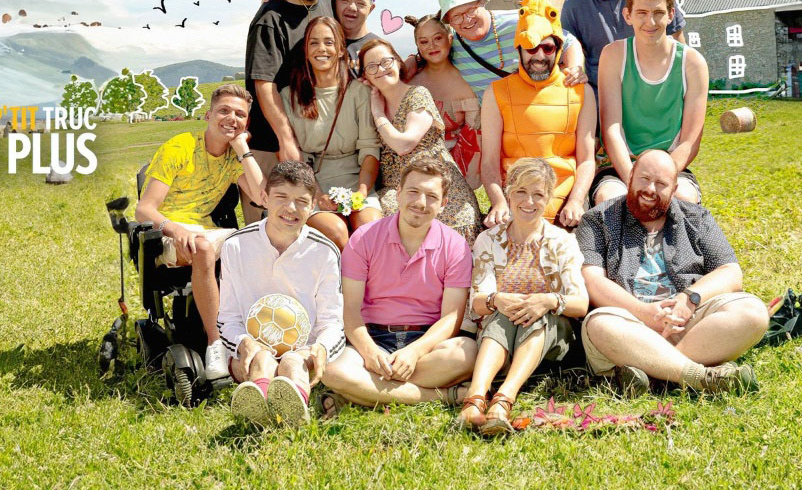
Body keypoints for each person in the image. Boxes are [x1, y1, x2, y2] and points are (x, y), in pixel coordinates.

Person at [577, 150, 769, 396]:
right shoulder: (598, 220)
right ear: (630, 176)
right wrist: (644, 313)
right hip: (631, 325)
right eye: (644, 179)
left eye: (661, 184)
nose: (650, 189)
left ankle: (655, 371)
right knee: (600, 323)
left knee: (753, 311)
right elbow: (592, 281)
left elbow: (730, 271)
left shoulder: (696, 218)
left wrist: (689, 299)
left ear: (674, 187)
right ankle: (699, 376)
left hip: (687, 324)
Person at [135, 84, 270, 385]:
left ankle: (256, 334)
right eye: (224, 110)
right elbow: (144, 210)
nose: (231, 118)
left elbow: (264, 198)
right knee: (204, 248)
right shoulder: (180, 147)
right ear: (209, 114)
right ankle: (215, 345)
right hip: (169, 232)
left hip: (206, 230)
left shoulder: (231, 161)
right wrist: (175, 228)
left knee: (259, 243)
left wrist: (242, 150)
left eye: (239, 114)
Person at [321, 158, 477, 412]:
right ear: (399, 193)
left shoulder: (455, 246)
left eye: (431, 196)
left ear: (443, 204)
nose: (420, 203)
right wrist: (370, 353)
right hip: (373, 337)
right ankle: (443, 396)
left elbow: (452, 318)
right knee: (332, 370)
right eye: (413, 191)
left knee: (466, 353)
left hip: (426, 343)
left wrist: (415, 352)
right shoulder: (364, 238)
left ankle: (360, 392)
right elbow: (350, 310)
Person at [458, 158, 589, 434]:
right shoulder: (488, 240)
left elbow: (580, 304)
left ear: (549, 198)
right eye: (521, 192)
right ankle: (475, 399)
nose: (528, 201)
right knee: (500, 312)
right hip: (501, 337)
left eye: (538, 194)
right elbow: (478, 303)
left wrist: (550, 300)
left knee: (536, 313)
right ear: (508, 192)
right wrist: (498, 300)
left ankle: (503, 400)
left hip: (551, 342)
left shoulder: (561, 241)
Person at [217, 161, 345, 428]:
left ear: (312, 207)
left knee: (291, 362)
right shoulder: (236, 246)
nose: (291, 208)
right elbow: (227, 318)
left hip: (302, 349)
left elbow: (332, 322)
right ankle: (258, 405)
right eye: (281, 197)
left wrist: (319, 348)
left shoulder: (324, 251)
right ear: (264, 198)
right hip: (253, 349)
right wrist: (243, 343)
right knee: (262, 359)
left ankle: (293, 407)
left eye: (301, 201)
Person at [244, 0, 340, 223]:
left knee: (311, 229)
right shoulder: (270, 16)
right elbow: (264, 83)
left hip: (315, 139)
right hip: (271, 141)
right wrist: (285, 138)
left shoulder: (331, 6)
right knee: (267, 225)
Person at [480, 0, 597, 229]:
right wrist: (499, 203)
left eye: (547, 47)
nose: (540, 56)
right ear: (519, 49)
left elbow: (586, 160)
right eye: (531, 48)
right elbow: (489, 162)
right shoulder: (496, 92)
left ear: (558, 49)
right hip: (515, 206)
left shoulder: (581, 91)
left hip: (565, 207)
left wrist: (575, 201)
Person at [594, 0, 708, 205]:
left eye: (658, 13)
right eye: (642, 13)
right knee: (610, 199)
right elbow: (611, 129)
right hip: (622, 164)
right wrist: (634, 180)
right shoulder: (614, 55)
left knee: (683, 197)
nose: (651, 22)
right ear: (628, 15)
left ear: (671, 15)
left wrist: (660, 181)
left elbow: (690, 141)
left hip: (669, 164)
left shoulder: (692, 62)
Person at [360, 38, 482, 243]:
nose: (380, 69)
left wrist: (378, 112)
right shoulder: (366, 100)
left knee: (448, 225)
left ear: (397, 62)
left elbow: (404, 144)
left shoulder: (417, 94)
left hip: (435, 181)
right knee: (390, 217)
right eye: (371, 67)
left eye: (385, 62)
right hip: (397, 188)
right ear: (365, 76)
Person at [280, 16, 383, 251]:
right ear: (305, 50)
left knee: (370, 230)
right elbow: (290, 155)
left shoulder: (358, 91)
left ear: (339, 49)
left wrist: (362, 191)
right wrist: (316, 195)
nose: (321, 49)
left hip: (357, 179)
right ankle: (343, 286)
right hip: (311, 182)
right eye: (313, 43)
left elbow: (370, 147)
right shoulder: (290, 96)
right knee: (337, 233)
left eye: (328, 42)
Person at [425, 0, 587, 100]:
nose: (467, 20)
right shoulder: (453, 45)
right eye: (457, 16)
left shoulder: (519, 22)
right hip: (495, 128)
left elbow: (568, 41)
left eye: (471, 10)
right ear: (450, 22)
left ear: (482, 3)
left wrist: (575, 68)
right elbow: (427, 54)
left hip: (540, 113)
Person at [405, 12, 481, 189]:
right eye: (424, 42)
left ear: (450, 37)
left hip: (455, 173)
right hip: (413, 168)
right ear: (417, 45)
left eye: (437, 38)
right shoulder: (410, 82)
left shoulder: (468, 82)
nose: (431, 46)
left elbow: (472, 141)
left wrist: (451, 182)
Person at [332, 0, 381, 74]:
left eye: (360, 3)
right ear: (334, 2)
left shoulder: (379, 48)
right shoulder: (322, 43)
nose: (352, 8)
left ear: (371, 9)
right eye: (345, 0)